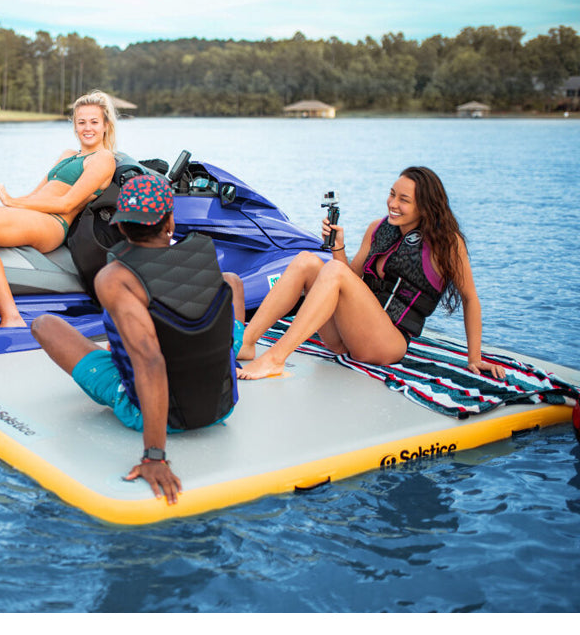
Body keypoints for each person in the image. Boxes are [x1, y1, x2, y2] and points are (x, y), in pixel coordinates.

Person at [31, 174, 247, 505]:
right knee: (230, 281)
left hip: (163, 418)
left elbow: (150, 361)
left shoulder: (114, 278)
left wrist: (155, 457)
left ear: (121, 227)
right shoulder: (204, 250)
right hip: (222, 406)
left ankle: (140, 410)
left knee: (45, 325)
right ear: (170, 222)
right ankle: (244, 347)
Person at [236, 166, 507, 381]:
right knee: (307, 260)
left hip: (387, 344)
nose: (393, 203)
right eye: (392, 194)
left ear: (425, 207)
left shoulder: (446, 243)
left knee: (331, 271)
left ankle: (275, 357)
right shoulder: (378, 229)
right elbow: (347, 277)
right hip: (349, 337)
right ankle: (247, 343)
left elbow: (470, 299)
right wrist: (338, 246)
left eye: (404, 200)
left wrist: (474, 358)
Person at [0, 90, 118, 328]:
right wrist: (4, 204)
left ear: (105, 125)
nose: (87, 128)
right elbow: (35, 195)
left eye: (94, 122)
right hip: (31, 213)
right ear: (74, 126)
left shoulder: (103, 159)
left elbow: (67, 203)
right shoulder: (68, 155)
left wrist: (11, 202)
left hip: (53, 223)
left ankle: (11, 316)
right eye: (81, 122)